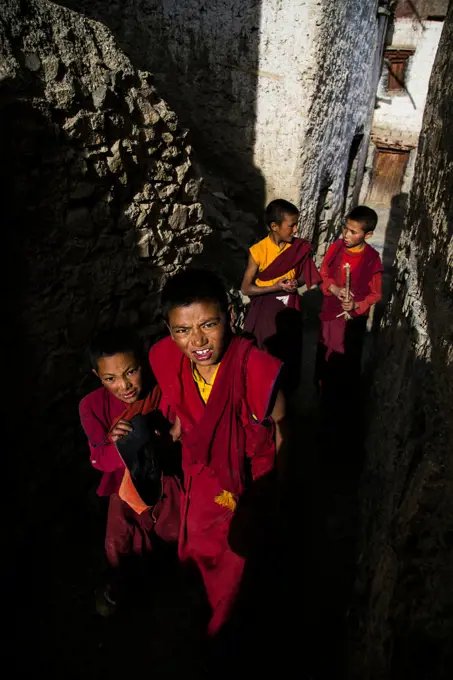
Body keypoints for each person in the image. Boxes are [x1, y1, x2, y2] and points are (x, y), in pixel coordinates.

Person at [148, 269, 287, 638]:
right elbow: (181, 405)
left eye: (209, 324)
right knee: (195, 552)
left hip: (245, 484)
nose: (197, 342)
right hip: (198, 475)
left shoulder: (254, 367)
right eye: (182, 330)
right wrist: (175, 431)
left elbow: (281, 429)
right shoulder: (165, 358)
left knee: (235, 562)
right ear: (168, 329)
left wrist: (275, 489)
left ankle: (222, 635)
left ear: (230, 315)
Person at [79, 328, 181, 616]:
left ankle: (171, 588)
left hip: (166, 476)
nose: (124, 386)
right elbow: (99, 460)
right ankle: (119, 588)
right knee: (121, 539)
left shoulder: (162, 388)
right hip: (123, 486)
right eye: (110, 379)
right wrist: (116, 444)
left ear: (143, 365)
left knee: (171, 532)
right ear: (98, 377)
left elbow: (179, 432)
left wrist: (170, 436)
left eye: (131, 372)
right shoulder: (92, 406)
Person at [241, 199, 320, 390]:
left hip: (290, 307)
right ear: (274, 226)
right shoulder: (258, 251)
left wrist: (295, 282)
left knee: (289, 352)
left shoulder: (299, 248)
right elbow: (246, 288)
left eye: (296, 225)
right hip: (265, 308)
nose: (296, 230)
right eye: (291, 226)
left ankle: (285, 393)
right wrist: (276, 287)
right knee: (264, 352)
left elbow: (303, 276)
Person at [316, 205, 383, 405]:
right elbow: (323, 274)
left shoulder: (372, 259)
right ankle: (320, 395)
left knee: (346, 362)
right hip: (330, 314)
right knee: (325, 352)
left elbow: (376, 294)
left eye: (353, 232)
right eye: (345, 228)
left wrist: (356, 305)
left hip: (353, 322)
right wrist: (334, 289)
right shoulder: (336, 247)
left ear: (368, 235)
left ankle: (342, 405)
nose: (346, 234)